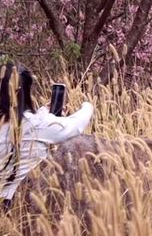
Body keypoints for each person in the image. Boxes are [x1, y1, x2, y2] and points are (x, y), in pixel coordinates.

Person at [0, 62, 94, 208]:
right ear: (27, 91)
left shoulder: (37, 121)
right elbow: (76, 125)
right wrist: (88, 104)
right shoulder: (38, 123)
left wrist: (44, 113)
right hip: (22, 205)